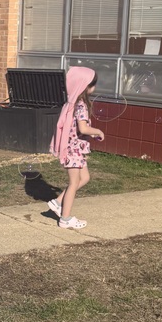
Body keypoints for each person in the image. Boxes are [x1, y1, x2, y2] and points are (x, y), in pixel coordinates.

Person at [48, 65, 104, 230]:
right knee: (73, 183)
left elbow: (76, 129)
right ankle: (65, 219)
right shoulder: (81, 105)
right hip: (74, 150)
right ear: (85, 86)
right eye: (93, 85)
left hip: (76, 148)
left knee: (84, 178)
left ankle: (58, 202)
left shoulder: (73, 102)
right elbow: (83, 128)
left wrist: (89, 134)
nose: (94, 88)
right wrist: (98, 131)